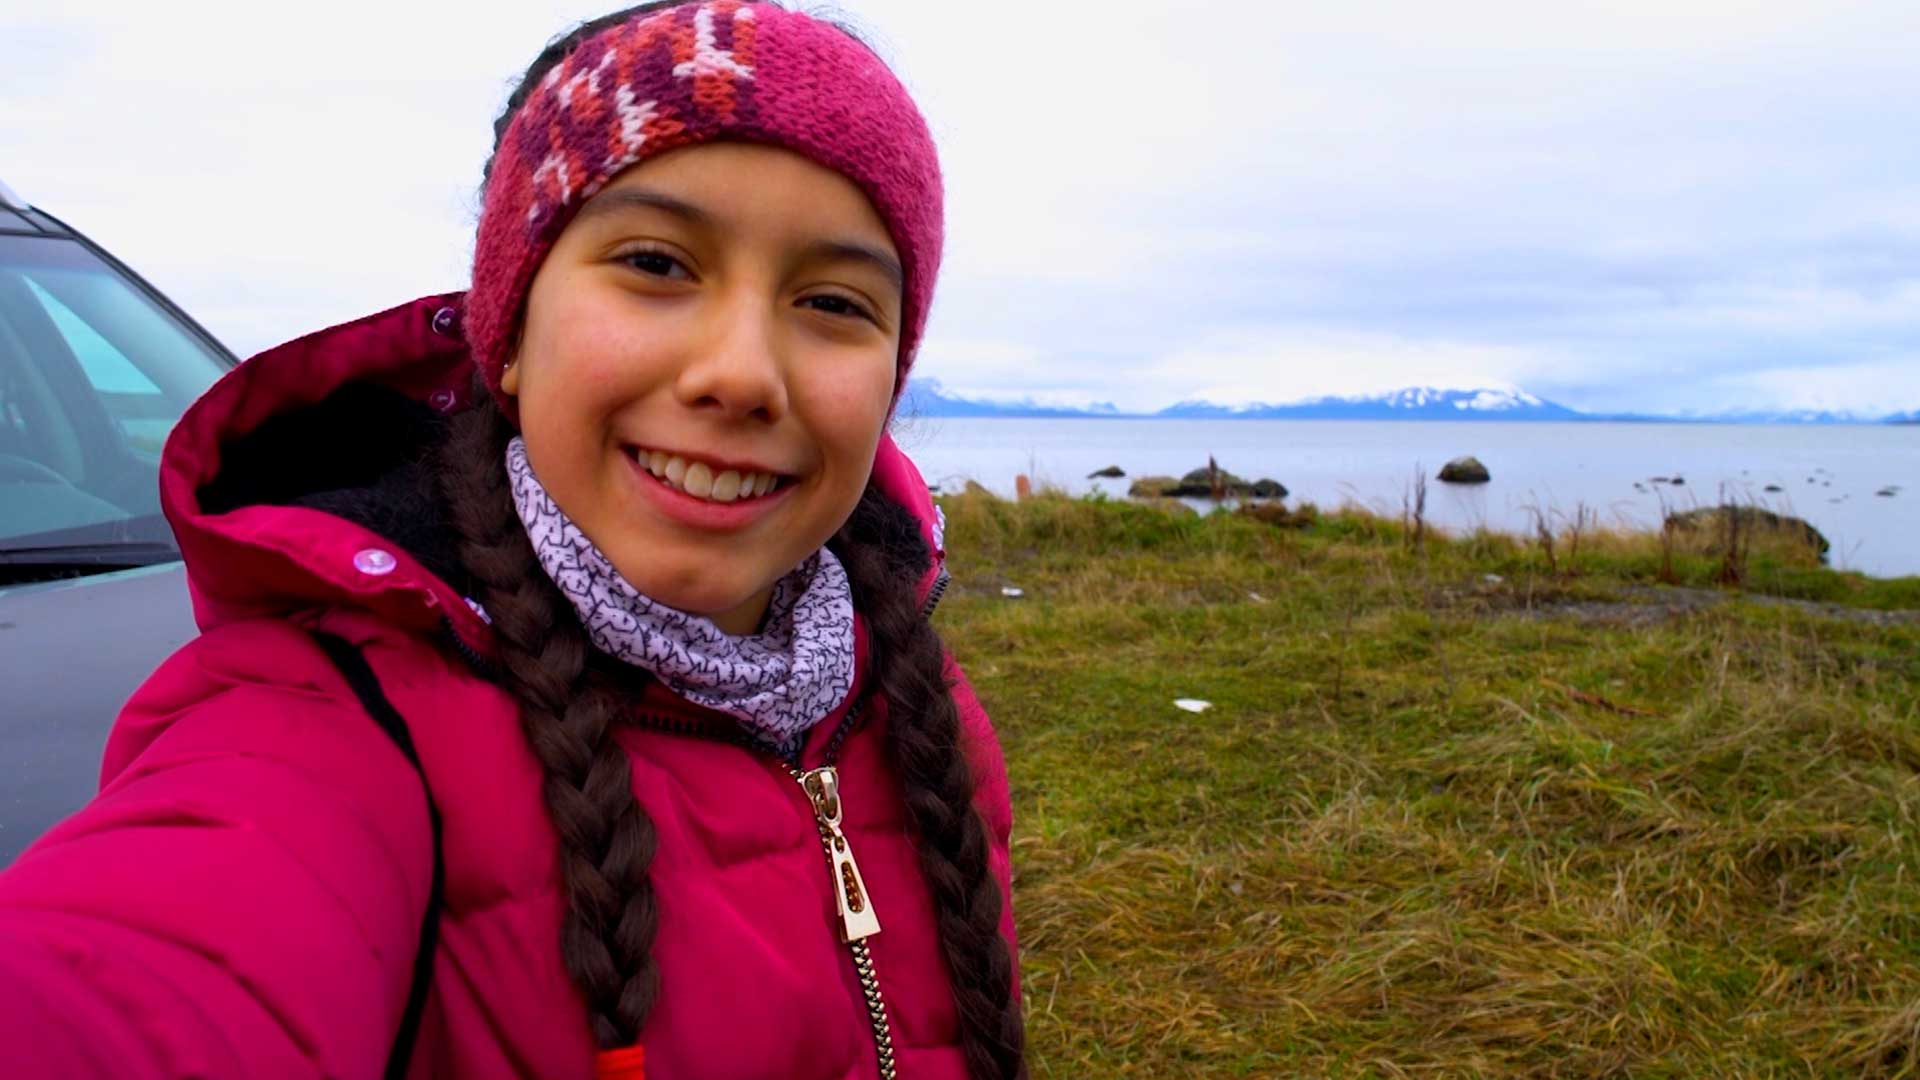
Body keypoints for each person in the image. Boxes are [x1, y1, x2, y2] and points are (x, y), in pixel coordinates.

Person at [0, 3, 1026, 1077]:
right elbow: (148, 978)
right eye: (657, 264)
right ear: (512, 329)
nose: (741, 373)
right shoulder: (332, 725)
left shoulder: (915, 704)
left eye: (831, 300)